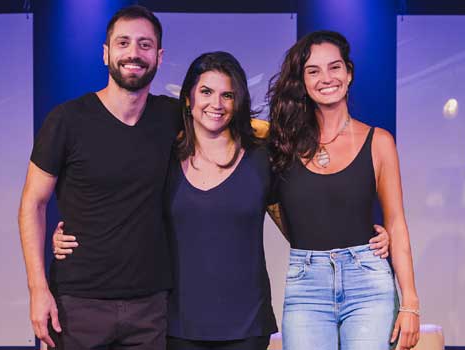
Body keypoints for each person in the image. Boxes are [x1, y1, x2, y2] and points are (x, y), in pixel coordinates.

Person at [53, 51, 392, 349]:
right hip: (177, 324)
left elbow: (304, 212)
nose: (216, 104)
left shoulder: (262, 157)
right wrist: (79, 233)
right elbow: (126, 208)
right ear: (188, 98)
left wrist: (358, 242)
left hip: (246, 326)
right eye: (206, 92)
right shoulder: (164, 157)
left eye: (227, 95)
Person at [18, 5, 179, 349]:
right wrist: (38, 289)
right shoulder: (67, 120)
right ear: (106, 54)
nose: (133, 53)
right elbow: (33, 203)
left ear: (159, 56)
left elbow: (230, 121)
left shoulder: (173, 118)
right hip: (77, 303)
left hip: (150, 306)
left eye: (144, 44)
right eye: (123, 43)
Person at [266, 30, 420, 350]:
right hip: (306, 284)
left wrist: (410, 303)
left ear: (348, 73)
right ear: (303, 83)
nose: (326, 78)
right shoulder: (281, 143)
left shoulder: (379, 142)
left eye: (334, 67)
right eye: (313, 70)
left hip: (369, 281)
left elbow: (396, 224)